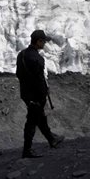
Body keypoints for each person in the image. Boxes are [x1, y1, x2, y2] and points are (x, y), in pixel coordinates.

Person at [16, 29, 64, 158]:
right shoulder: (38, 58)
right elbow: (39, 80)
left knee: (39, 117)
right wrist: (43, 95)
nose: (44, 44)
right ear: (38, 41)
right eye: (43, 41)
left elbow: (18, 75)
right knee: (32, 121)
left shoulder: (21, 55)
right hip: (36, 96)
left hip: (25, 94)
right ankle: (27, 150)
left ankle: (52, 139)